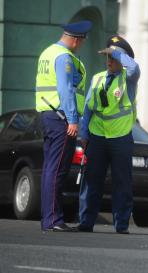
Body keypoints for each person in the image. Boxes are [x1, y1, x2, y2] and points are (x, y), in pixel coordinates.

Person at [75, 35, 140, 234]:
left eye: (113, 57)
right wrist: (84, 135)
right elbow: (87, 109)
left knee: (122, 183)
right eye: (108, 57)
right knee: (91, 180)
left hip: (120, 138)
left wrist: (118, 53)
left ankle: (121, 224)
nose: (109, 61)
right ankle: (86, 222)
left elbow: (135, 68)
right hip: (97, 137)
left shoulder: (128, 79)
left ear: (122, 58)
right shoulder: (97, 78)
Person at [36, 20, 92, 232]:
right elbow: (66, 89)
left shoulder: (47, 53)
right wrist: (72, 119)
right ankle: (53, 220)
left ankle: (49, 218)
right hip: (61, 118)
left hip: (49, 115)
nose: (82, 45)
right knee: (57, 170)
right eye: (82, 41)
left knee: (50, 169)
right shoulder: (63, 57)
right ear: (76, 40)